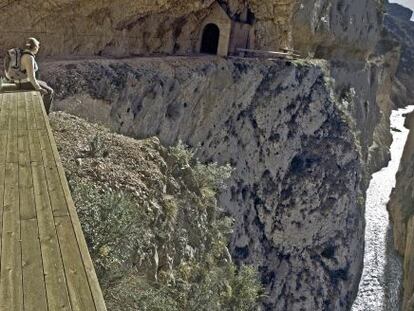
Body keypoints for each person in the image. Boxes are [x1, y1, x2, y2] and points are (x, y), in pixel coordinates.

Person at [16, 37, 54, 114]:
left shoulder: (24, 54)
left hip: (19, 82)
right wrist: (39, 88)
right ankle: (45, 113)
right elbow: (31, 77)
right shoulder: (29, 57)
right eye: (38, 46)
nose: (39, 48)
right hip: (23, 83)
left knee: (44, 83)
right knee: (50, 91)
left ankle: (40, 107)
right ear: (34, 47)